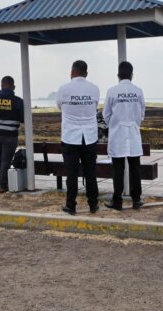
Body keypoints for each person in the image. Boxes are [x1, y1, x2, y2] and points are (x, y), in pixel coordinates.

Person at [56, 60, 100, 215]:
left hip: (70, 137)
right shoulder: (94, 89)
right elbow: (94, 106)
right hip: (89, 137)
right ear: (86, 73)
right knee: (90, 172)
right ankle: (93, 204)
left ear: (72, 72)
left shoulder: (63, 89)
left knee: (71, 174)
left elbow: (59, 106)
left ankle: (71, 205)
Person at [103, 61, 146, 210]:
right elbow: (141, 115)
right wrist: (133, 124)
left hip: (117, 135)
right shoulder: (138, 91)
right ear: (132, 75)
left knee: (118, 170)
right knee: (135, 169)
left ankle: (117, 201)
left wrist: (115, 125)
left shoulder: (112, 91)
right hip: (133, 134)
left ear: (118, 75)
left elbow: (106, 114)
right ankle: (136, 199)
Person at [0, 76, 24, 193]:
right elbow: (22, 118)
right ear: (13, 86)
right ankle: (3, 185)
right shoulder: (18, 100)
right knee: (6, 160)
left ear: (1, 85)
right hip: (10, 135)